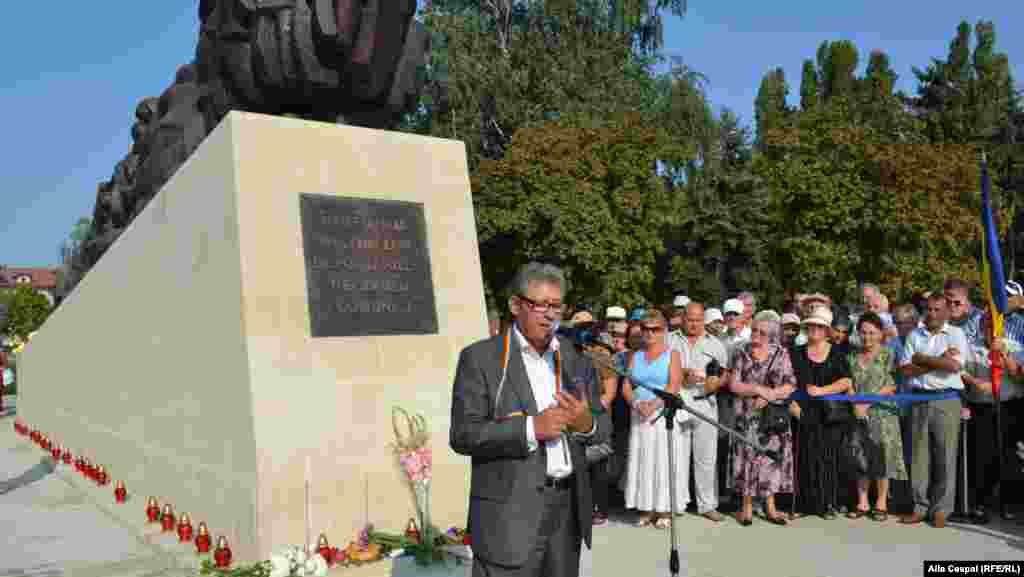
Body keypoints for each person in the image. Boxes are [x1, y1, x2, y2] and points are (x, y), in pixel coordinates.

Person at [450, 262, 612, 577]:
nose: (549, 314)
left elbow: (602, 426)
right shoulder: (480, 358)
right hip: (509, 515)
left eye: (556, 306)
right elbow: (463, 434)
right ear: (515, 305)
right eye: (539, 304)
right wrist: (530, 428)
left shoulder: (576, 358)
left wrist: (586, 424)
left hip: (567, 513)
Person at [898, 293, 968, 529]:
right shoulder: (914, 335)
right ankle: (919, 507)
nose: (933, 314)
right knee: (918, 456)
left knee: (945, 456)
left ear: (947, 311)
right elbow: (906, 372)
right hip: (918, 399)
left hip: (946, 399)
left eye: (938, 309)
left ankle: (941, 510)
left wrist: (922, 359)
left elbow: (954, 366)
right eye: (929, 309)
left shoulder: (956, 334)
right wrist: (938, 359)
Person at [725, 313, 797, 526]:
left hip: (771, 417)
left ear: (772, 335)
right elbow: (734, 385)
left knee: (770, 461)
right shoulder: (741, 352)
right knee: (746, 458)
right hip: (745, 416)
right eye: (754, 329)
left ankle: (771, 507)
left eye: (762, 332)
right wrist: (757, 389)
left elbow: (790, 384)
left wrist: (769, 396)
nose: (756, 335)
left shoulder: (781, 354)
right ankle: (746, 507)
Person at [621, 310, 685, 529]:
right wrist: (637, 404)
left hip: (662, 414)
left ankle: (664, 509)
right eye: (645, 328)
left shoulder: (672, 354)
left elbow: (674, 384)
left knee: (663, 461)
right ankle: (646, 508)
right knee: (643, 460)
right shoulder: (634, 355)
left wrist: (654, 405)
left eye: (655, 329)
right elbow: (627, 385)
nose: (649, 333)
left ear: (664, 331)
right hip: (639, 414)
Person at [791, 306, 854, 520]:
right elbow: (788, 382)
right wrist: (794, 407)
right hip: (802, 412)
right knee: (805, 457)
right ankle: (805, 504)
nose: (814, 330)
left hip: (831, 414)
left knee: (829, 458)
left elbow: (846, 381)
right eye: (811, 326)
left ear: (826, 330)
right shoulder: (796, 353)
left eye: (819, 326)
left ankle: (828, 503)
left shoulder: (837, 353)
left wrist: (821, 391)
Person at [668, 302, 729, 522]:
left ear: (703, 320)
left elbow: (725, 373)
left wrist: (716, 383)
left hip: (705, 402)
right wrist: (682, 373)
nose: (693, 324)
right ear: (682, 319)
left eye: (697, 320)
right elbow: (663, 367)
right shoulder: (670, 339)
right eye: (689, 319)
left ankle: (707, 505)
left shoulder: (716, 344)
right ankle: (676, 503)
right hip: (678, 401)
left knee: (706, 457)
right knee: (677, 456)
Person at [961, 311, 1024, 522]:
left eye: (994, 325)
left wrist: (1005, 355)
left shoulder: (1014, 346)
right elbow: (960, 370)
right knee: (982, 457)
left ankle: (1008, 502)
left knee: (1007, 456)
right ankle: (980, 503)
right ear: (980, 327)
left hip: (1008, 406)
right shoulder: (971, 346)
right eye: (986, 325)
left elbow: (1018, 375)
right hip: (982, 407)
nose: (990, 329)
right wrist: (976, 383)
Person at [846, 312, 906, 522]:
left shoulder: (890, 354)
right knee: (860, 457)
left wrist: (868, 402)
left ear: (881, 333)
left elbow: (893, 385)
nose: (867, 337)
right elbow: (848, 384)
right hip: (858, 414)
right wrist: (856, 404)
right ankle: (862, 501)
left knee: (883, 458)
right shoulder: (851, 356)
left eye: (872, 333)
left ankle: (881, 502)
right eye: (863, 332)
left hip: (883, 413)